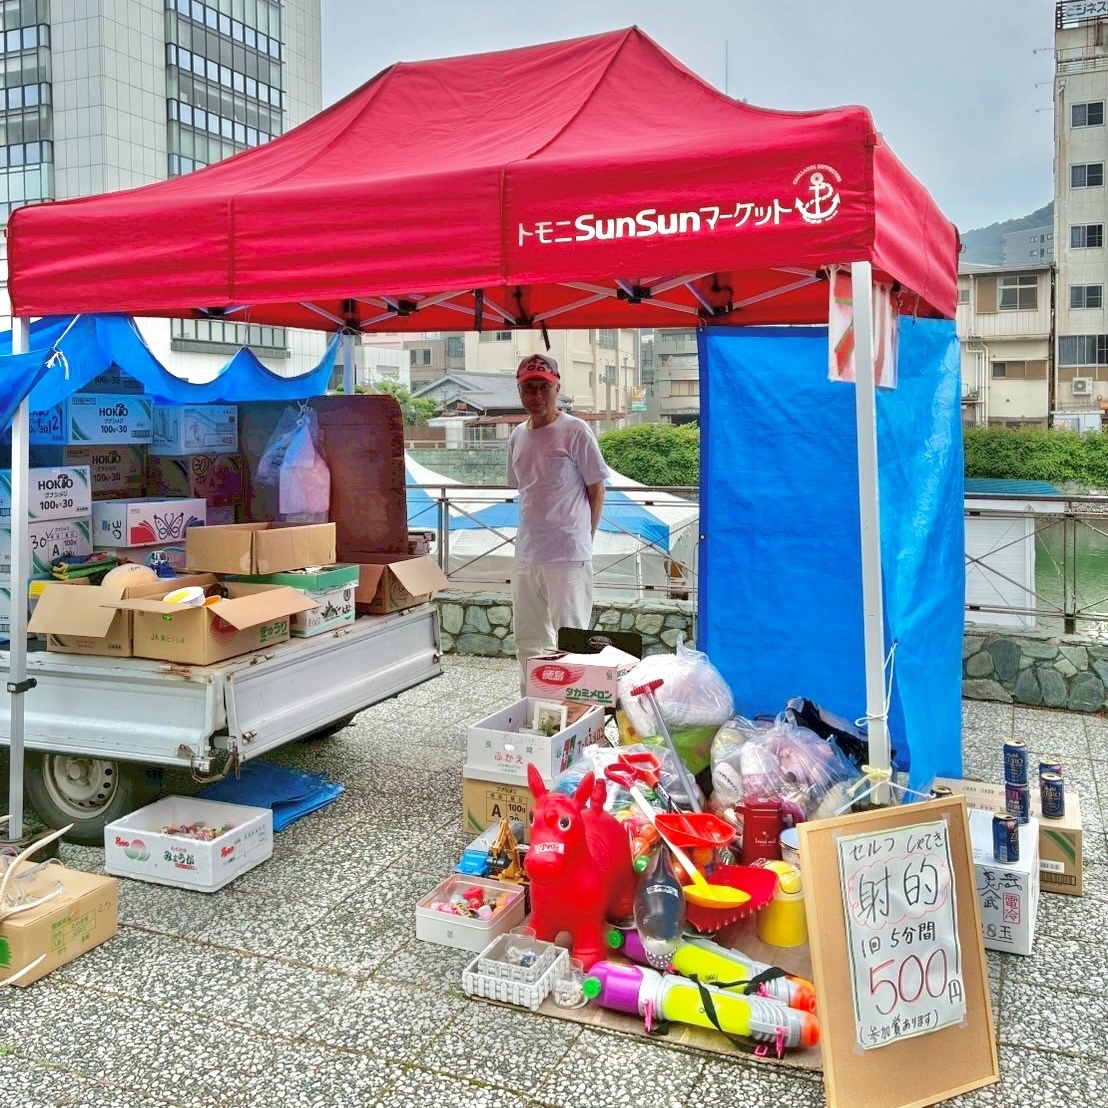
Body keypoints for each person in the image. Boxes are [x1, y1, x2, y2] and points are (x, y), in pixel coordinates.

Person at [507, 353, 608, 693]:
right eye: (528, 388)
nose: (536, 395)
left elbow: (597, 489)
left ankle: (574, 710)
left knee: (572, 640)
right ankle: (534, 704)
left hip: (567, 553)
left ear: (557, 388)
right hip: (527, 552)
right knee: (527, 640)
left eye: (543, 387)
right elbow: (525, 490)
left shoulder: (575, 430)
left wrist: (584, 538)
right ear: (519, 391)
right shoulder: (517, 436)